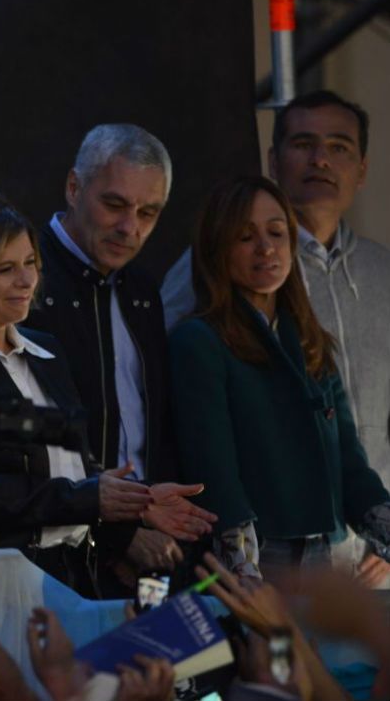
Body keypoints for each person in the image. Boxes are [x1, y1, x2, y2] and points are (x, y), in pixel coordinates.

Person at [0, 191, 214, 596]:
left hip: (72, 577)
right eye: (5, 269)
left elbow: (72, 469)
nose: (27, 280)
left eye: (31, 263)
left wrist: (135, 501)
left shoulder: (44, 350)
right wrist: (91, 498)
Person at [164, 91, 390, 587]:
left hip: (331, 554)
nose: (265, 249)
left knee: (332, 667)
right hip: (256, 559)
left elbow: (350, 458)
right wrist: (242, 566)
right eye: (245, 237)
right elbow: (213, 469)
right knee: (274, 666)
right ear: (219, 248)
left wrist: (382, 525)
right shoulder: (198, 340)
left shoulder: (309, 338)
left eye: (276, 233)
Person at [20, 123, 184, 595]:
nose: (130, 227)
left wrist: (159, 526)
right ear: (73, 187)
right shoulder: (21, 279)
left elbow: (154, 428)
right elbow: (24, 451)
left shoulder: (142, 291)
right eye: (114, 204)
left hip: (147, 551)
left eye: (148, 213)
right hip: (54, 559)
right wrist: (119, 536)